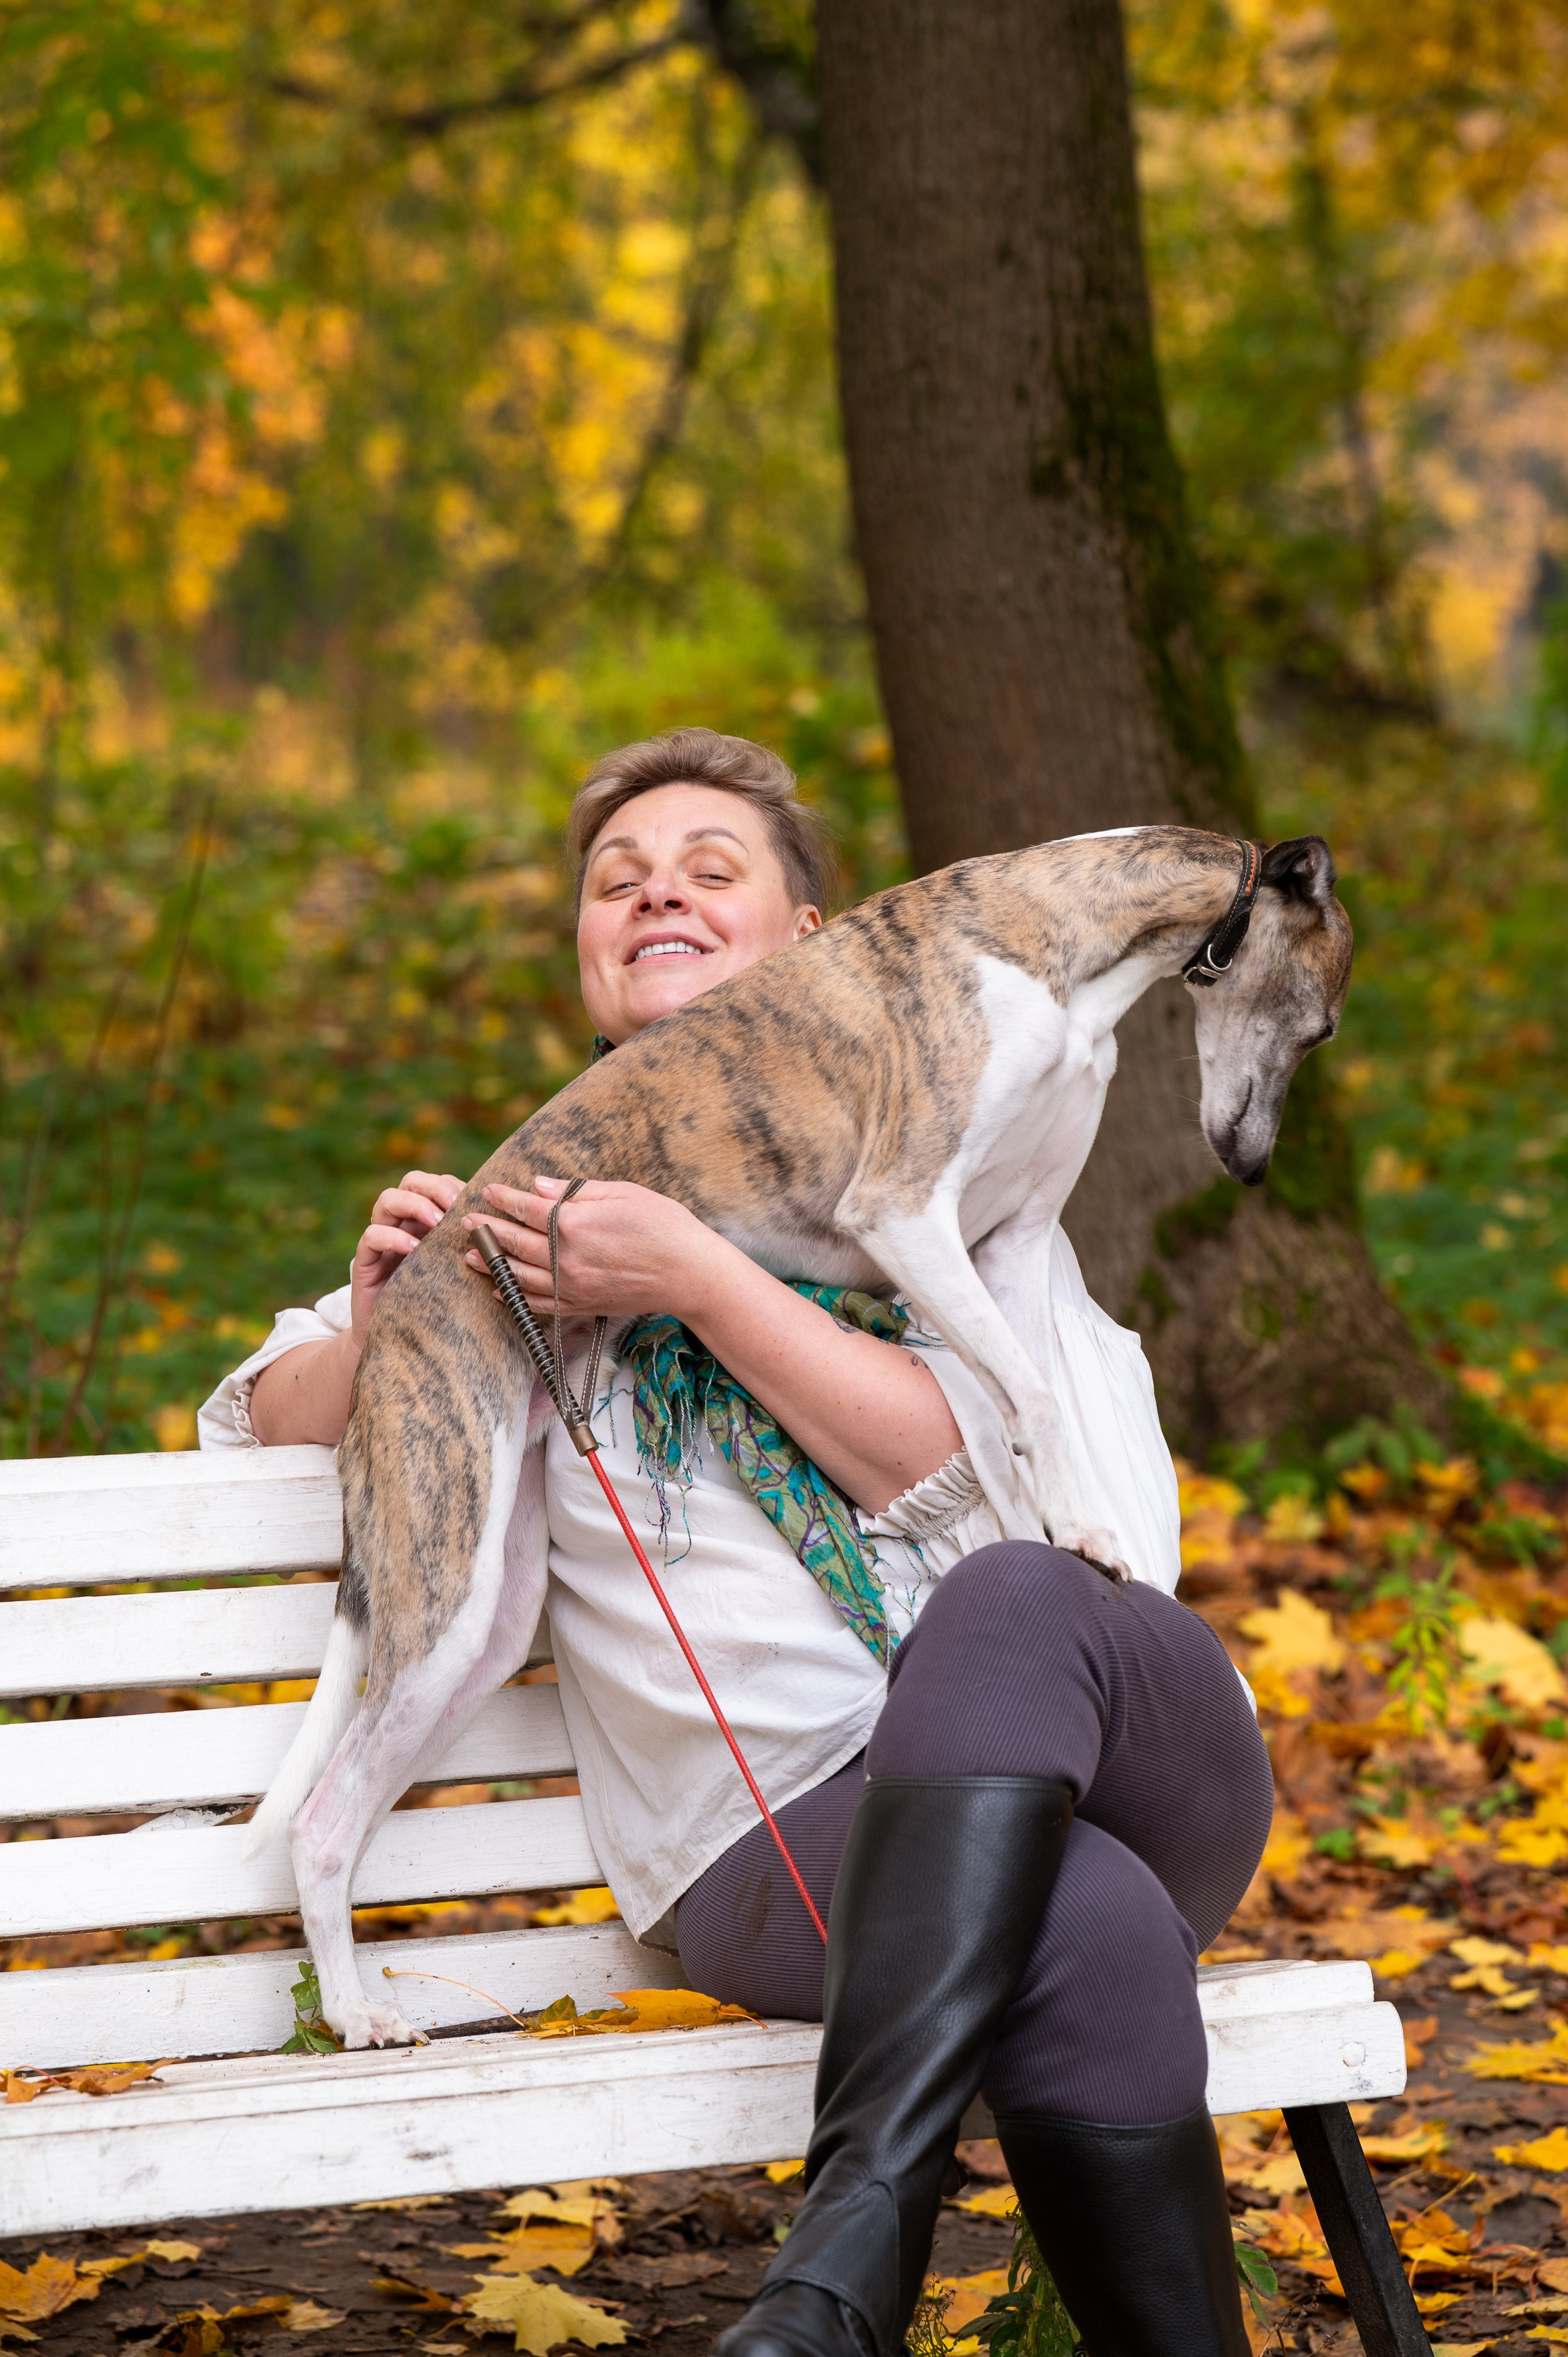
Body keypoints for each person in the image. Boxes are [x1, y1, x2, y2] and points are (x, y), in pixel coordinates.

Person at [201, 727, 1272, 2357]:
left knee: (1011, 1601)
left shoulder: (977, 1179)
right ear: (584, 954)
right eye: (616, 883)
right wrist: (385, 1322)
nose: (657, 898)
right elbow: (266, 1422)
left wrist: (701, 1276)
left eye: (715, 872)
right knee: (1092, 1927)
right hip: (783, 1835)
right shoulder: (533, 1207)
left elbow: (995, 1480)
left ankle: (842, 2263)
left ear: (821, 947)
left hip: (1127, 1735)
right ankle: (843, 2281)